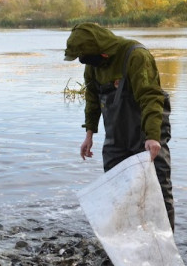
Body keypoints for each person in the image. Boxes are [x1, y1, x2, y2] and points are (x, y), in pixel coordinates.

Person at [64, 23, 174, 230]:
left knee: (158, 189)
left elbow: (151, 98)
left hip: (147, 133)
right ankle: (126, 241)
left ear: (103, 52)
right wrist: (89, 134)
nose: (87, 63)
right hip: (116, 137)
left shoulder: (136, 56)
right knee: (116, 190)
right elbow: (92, 99)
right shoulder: (93, 65)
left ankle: (165, 244)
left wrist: (152, 136)